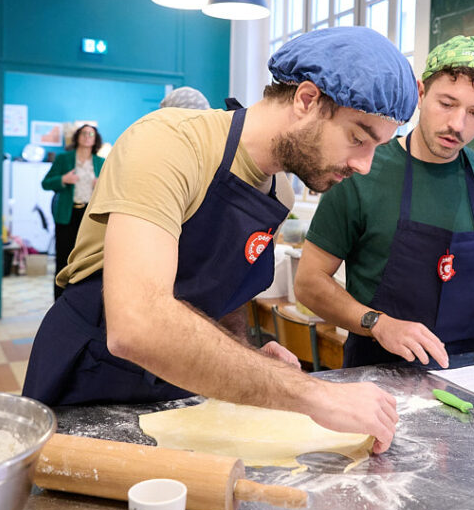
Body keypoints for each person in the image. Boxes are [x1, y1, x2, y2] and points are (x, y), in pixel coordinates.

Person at [23, 26, 418, 453]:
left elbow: (220, 299)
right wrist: (312, 394)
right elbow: (137, 325)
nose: (364, 164)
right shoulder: (171, 143)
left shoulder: (278, 191)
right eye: (358, 138)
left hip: (182, 387)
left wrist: (245, 353)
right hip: (93, 380)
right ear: (306, 100)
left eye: (378, 146)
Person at [295, 36, 474, 369]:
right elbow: (310, 282)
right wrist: (377, 323)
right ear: (421, 93)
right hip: (374, 375)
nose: (458, 124)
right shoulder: (361, 168)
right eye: (447, 103)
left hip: (470, 374)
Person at [43, 124, 105, 300]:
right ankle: (59, 301)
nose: (87, 136)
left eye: (91, 134)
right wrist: (63, 179)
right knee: (63, 259)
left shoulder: (101, 162)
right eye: (84, 133)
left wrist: (100, 184)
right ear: (77, 137)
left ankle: (81, 300)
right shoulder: (64, 159)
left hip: (90, 217)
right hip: (67, 215)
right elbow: (46, 183)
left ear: (95, 139)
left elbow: (110, 189)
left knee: (87, 260)